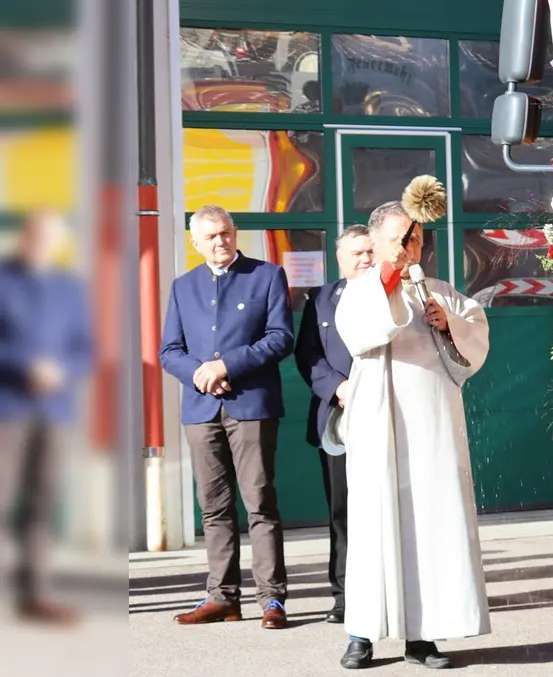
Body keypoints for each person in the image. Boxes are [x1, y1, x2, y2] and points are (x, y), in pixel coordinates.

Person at [334, 200, 491, 670]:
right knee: (372, 529)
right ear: (379, 239)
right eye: (400, 237)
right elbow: (359, 331)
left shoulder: (440, 291)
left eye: (416, 237)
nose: (409, 245)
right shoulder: (361, 289)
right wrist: (389, 275)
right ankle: (362, 634)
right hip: (379, 425)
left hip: (432, 430)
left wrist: (451, 324)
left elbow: (475, 340)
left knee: (429, 528)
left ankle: (422, 639)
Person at [158, 205, 294, 628]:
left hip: (252, 404)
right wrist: (201, 375)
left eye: (226, 233)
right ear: (196, 243)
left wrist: (226, 366)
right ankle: (223, 597)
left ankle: (272, 599)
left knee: (259, 502)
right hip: (201, 409)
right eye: (211, 237)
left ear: (235, 234)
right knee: (213, 507)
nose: (221, 242)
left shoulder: (267, 275)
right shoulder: (183, 287)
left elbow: (281, 338)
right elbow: (169, 351)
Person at [0, 211, 90, 623]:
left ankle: (34, 595)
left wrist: (61, 370)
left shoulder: (69, 288)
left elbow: (86, 347)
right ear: (24, 238)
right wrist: (25, 365)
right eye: (35, 236)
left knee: (40, 504)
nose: (41, 243)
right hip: (9, 408)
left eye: (49, 237)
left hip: (55, 412)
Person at [294, 224, 374, 625]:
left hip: (386, 419)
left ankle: (390, 593)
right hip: (339, 419)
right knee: (341, 511)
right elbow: (307, 355)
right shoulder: (321, 300)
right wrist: (338, 388)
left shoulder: (395, 297)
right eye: (356, 253)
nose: (365, 258)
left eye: (369, 251)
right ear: (340, 259)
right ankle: (344, 595)